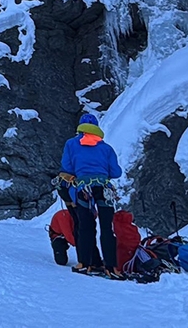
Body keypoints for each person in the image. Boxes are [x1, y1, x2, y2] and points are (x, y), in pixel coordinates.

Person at [59, 112, 123, 276]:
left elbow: (66, 167)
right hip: (104, 188)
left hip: (84, 189)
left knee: (86, 227)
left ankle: (84, 263)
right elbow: (116, 172)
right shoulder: (106, 148)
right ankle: (111, 267)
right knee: (107, 228)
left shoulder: (71, 144)